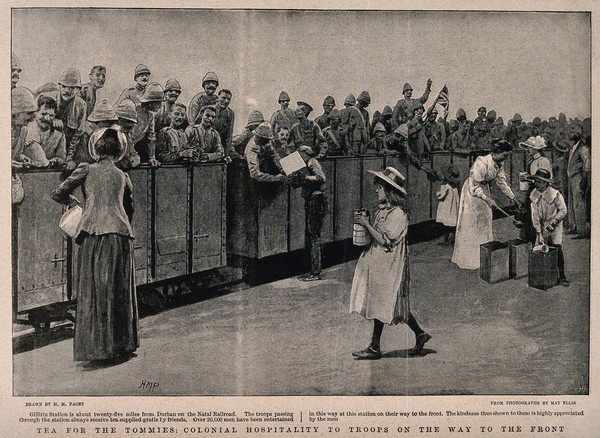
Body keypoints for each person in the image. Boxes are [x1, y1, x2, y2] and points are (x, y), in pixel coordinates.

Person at [51, 128, 138, 362]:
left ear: (95, 149)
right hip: (120, 236)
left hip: (92, 235)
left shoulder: (86, 169)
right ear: (119, 151)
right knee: (119, 290)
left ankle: (96, 348)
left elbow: (58, 192)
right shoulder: (123, 176)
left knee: (94, 292)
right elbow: (129, 209)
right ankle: (122, 345)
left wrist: (73, 201)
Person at [349, 166, 431, 359]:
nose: (376, 189)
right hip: (381, 263)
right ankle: (419, 334)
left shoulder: (398, 214)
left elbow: (386, 240)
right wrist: (367, 222)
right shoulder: (383, 210)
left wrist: (367, 225)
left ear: (389, 190)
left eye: (379, 186)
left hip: (391, 265)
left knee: (388, 302)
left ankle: (375, 347)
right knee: (390, 304)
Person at [451, 139, 522, 270]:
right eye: (505, 155)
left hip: (484, 190)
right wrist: (487, 199)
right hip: (472, 194)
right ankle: (470, 259)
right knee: (471, 223)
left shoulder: (499, 163)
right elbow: (473, 187)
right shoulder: (481, 162)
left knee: (485, 220)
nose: (506, 158)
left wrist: (513, 197)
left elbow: (502, 182)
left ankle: (484, 257)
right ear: (497, 152)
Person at [527, 169, 569, 287]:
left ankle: (562, 277)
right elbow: (535, 216)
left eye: (539, 181)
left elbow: (563, 210)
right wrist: (539, 232)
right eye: (535, 180)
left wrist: (553, 223)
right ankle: (540, 276)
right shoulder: (534, 195)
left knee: (556, 248)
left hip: (555, 223)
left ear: (546, 183)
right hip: (542, 224)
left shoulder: (555, 194)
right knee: (538, 248)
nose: (536, 183)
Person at [293, 146, 327, 282]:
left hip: (315, 200)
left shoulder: (312, 162)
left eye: (300, 154)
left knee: (314, 236)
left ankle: (315, 272)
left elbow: (321, 177)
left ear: (306, 153)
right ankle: (312, 271)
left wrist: (305, 178)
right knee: (311, 235)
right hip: (312, 200)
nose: (299, 156)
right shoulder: (307, 163)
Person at [518, 136, 553, 243]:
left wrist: (527, 178)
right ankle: (529, 237)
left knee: (537, 215)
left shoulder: (543, 161)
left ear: (536, 149)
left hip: (540, 191)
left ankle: (538, 239)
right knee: (529, 214)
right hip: (532, 190)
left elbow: (545, 180)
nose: (528, 150)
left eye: (530, 148)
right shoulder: (532, 161)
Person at [54, 68, 87, 170]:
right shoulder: (50, 98)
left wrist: (69, 158)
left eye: (72, 88)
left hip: (69, 148)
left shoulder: (81, 105)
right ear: (60, 86)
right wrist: (52, 121)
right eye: (64, 86)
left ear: (78, 89)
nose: (67, 91)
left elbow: (78, 134)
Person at [12, 86, 48, 169]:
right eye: (29, 113)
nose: (32, 118)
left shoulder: (23, 130)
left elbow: (15, 154)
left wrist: (21, 157)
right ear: (16, 113)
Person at [565, 121, 591, 239]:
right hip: (571, 178)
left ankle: (582, 230)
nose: (570, 133)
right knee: (571, 204)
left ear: (578, 133)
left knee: (578, 204)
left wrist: (584, 181)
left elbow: (586, 164)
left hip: (578, 178)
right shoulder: (573, 147)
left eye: (573, 131)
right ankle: (574, 227)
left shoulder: (583, 147)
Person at [25, 95, 66, 166]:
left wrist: (57, 160)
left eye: (51, 115)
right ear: (35, 113)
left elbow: (61, 157)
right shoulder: (27, 129)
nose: (47, 118)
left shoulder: (58, 133)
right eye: (43, 114)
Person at [130, 82, 163, 166]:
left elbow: (151, 137)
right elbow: (127, 135)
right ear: (151, 102)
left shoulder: (150, 115)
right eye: (158, 103)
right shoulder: (134, 110)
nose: (161, 106)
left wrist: (152, 158)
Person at [435, 164, 460, 245]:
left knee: (446, 225)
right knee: (452, 224)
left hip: (447, 208)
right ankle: (451, 239)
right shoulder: (455, 188)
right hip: (452, 209)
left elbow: (440, 196)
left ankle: (447, 240)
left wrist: (441, 193)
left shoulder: (445, 187)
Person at [115, 99, 142, 170]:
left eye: (132, 122)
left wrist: (132, 160)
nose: (131, 125)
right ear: (119, 120)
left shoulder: (127, 136)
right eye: (128, 121)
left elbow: (134, 155)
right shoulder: (112, 135)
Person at [212, 89, 235, 158]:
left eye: (228, 99)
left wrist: (226, 154)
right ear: (218, 97)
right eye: (223, 98)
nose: (226, 101)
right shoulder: (209, 109)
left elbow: (229, 135)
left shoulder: (230, 114)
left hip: (220, 148)